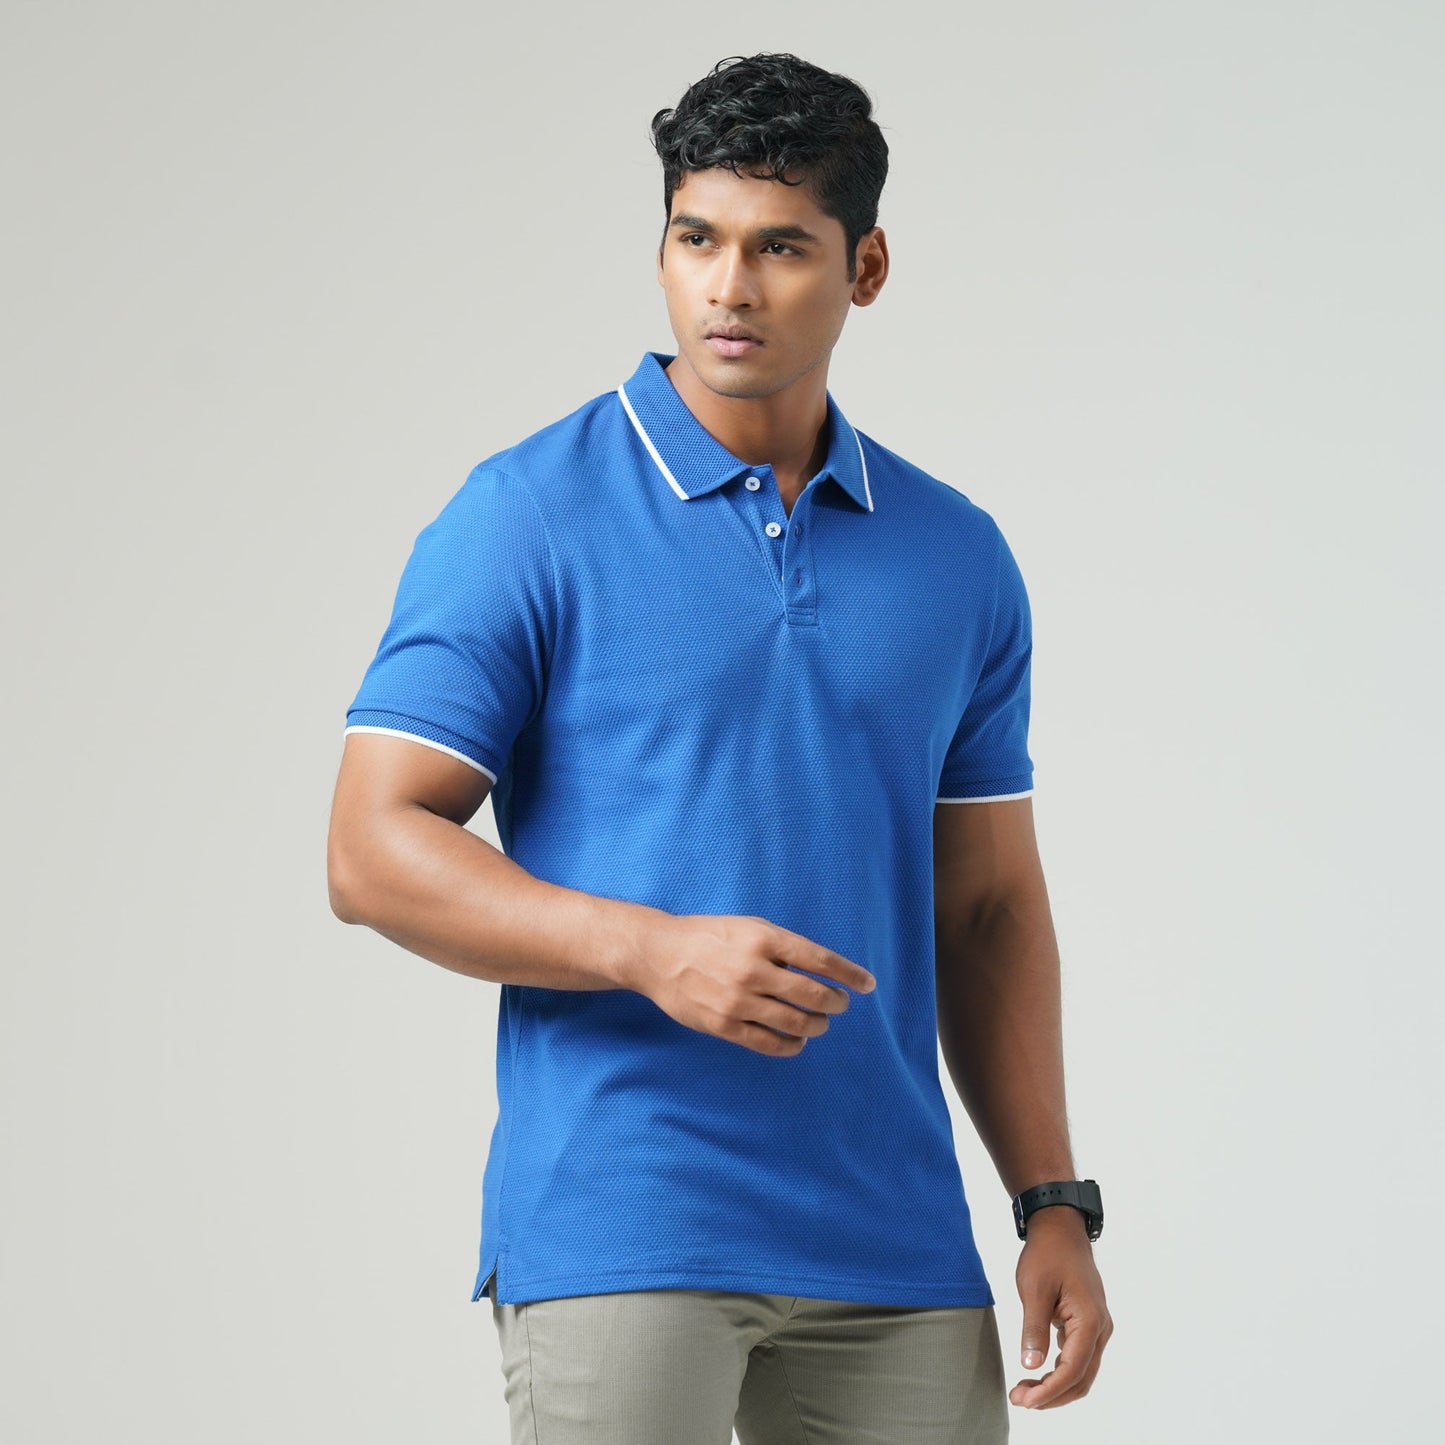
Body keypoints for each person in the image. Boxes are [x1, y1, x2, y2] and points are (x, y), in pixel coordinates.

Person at [328, 50, 1112, 1445]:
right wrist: (649, 949)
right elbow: (370, 848)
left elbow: (986, 905)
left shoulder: (957, 556)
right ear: (661, 252)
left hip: (892, 1241)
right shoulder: (525, 513)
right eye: (697, 240)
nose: (728, 287)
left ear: (866, 268)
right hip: (628, 1217)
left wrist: (1050, 1199)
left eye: (780, 247)